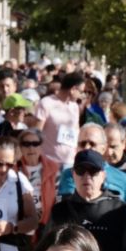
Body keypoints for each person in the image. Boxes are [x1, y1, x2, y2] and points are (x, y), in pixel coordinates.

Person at [49, 151, 126, 251]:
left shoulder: (121, 211)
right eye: (81, 170)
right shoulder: (60, 211)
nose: (86, 176)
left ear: (103, 175)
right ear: (73, 175)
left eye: (93, 171)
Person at [34, 72, 87, 221]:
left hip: (69, 162)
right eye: (81, 91)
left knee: (66, 201)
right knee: (49, 200)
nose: (82, 95)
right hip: (49, 161)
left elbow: (76, 131)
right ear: (73, 89)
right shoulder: (46, 103)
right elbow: (37, 133)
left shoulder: (75, 107)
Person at [54, 124, 126, 203]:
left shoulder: (123, 179)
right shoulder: (68, 175)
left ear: (103, 148)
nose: (86, 148)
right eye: (82, 144)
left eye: (92, 144)